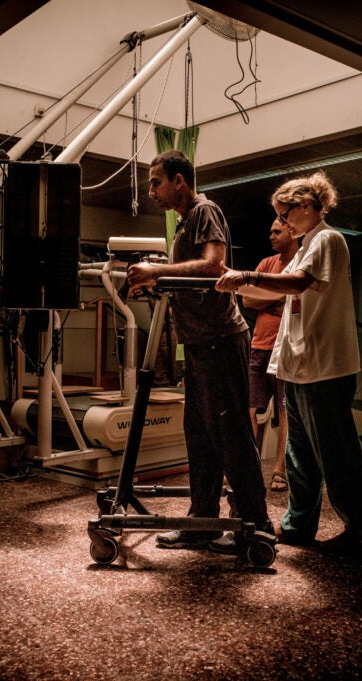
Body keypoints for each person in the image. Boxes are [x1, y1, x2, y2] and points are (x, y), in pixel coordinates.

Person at [215, 170, 362, 559]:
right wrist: (230, 282)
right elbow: (271, 288)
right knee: (299, 456)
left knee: (336, 454)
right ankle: (298, 525)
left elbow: (298, 283)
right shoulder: (306, 245)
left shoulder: (327, 239)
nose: (283, 222)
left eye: (285, 213)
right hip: (299, 368)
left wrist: (246, 276)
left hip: (326, 368)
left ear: (306, 205)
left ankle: (361, 532)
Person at [126, 149, 273, 554]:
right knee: (200, 434)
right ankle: (202, 521)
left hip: (221, 340)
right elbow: (192, 275)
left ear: (180, 181)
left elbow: (214, 266)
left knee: (230, 433)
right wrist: (161, 277)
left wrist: (157, 271)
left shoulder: (205, 209)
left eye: (156, 182)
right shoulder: (184, 221)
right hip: (198, 342)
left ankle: (256, 524)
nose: (152, 190)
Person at [243, 218, 298, 493]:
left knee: (286, 412)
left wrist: (268, 298)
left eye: (276, 231)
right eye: (270, 230)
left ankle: (280, 471)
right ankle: (248, 470)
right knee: (249, 408)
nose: (271, 235)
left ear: (292, 231)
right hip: (259, 346)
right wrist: (279, 298)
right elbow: (247, 300)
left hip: (287, 350)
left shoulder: (301, 263)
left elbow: (298, 299)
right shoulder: (266, 264)